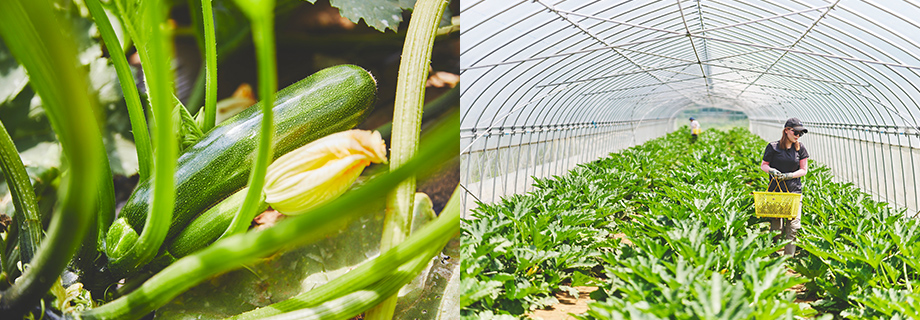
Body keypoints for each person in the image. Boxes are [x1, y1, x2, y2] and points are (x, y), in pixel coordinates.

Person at [760, 117, 809, 256]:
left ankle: (789, 258)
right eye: (795, 132)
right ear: (786, 130)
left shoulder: (801, 148)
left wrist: (789, 175)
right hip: (776, 191)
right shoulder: (773, 147)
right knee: (777, 227)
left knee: (793, 226)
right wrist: (772, 171)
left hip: (794, 191)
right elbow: (764, 165)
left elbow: (804, 170)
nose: (798, 136)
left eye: (801, 133)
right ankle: (772, 253)